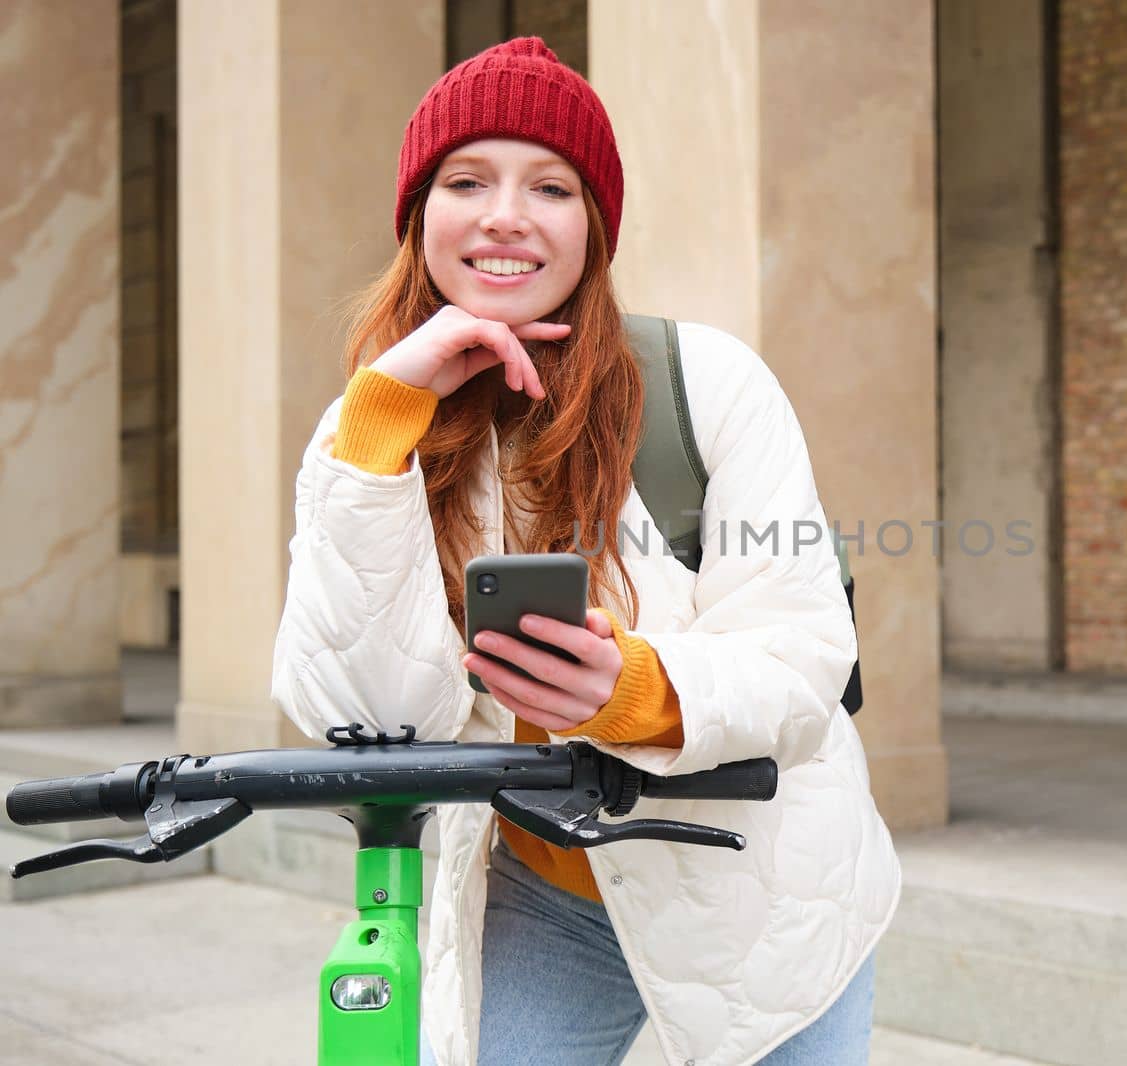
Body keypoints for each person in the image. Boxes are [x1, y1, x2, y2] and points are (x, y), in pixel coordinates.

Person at [269, 36, 901, 1066]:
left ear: (593, 226)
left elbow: (803, 658)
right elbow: (362, 719)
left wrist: (631, 689)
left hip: (764, 885)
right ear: (418, 215)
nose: (506, 214)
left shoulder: (712, 383)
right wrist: (383, 423)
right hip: (537, 890)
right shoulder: (368, 425)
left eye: (550, 186)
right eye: (466, 180)